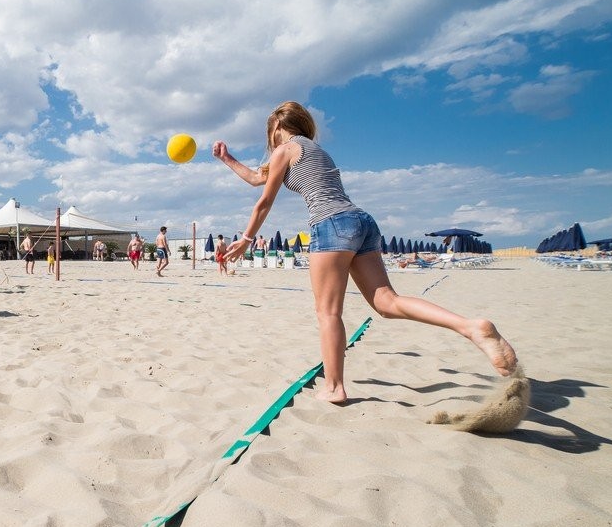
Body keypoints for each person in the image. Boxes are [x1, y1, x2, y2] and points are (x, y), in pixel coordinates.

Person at [213, 101, 517, 404]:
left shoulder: (285, 150)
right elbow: (257, 177)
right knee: (387, 302)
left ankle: (334, 387)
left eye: (270, 132)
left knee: (328, 312)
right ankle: (469, 326)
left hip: (330, 222)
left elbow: (264, 200)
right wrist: (227, 159)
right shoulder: (314, 151)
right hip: (361, 221)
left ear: (277, 128)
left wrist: (247, 238)